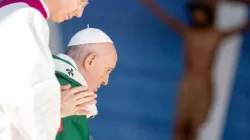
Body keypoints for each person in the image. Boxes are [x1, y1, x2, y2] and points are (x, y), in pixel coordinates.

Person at [140, 0, 250, 140]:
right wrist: (149, 4)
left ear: (208, 15)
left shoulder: (214, 35)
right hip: (188, 82)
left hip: (203, 84)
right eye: (196, 14)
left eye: (201, 14)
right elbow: (166, 18)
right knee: (180, 125)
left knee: (194, 127)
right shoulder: (189, 33)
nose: (198, 17)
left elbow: (242, 28)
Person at [0, 0, 90, 140]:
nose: (79, 13)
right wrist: (55, 108)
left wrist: (51, 98)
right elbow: (34, 114)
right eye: (80, 2)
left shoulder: (10, 12)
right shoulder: (24, 18)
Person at [54, 27, 117, 140]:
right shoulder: (71, 95)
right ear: (90, 60)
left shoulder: (47, 75)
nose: (105, 81)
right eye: (107, 70)